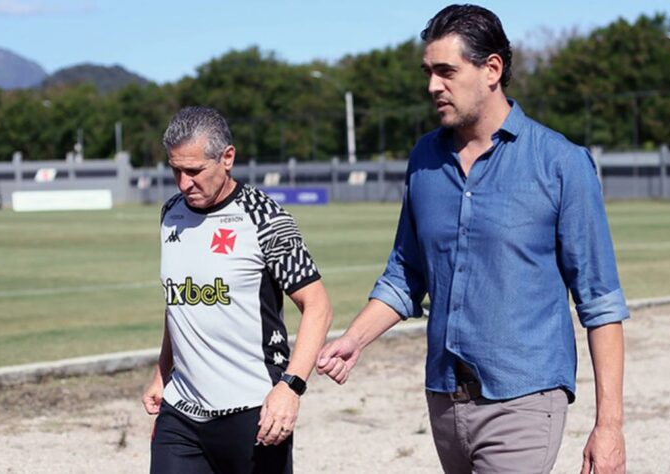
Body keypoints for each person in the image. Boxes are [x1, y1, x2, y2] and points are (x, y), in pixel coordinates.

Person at [317, 5, 628, 474]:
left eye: (446, 72)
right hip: (444, 398)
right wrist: (355, 340)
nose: (432, 86)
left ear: (492, 70)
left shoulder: (561, 163)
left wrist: (610, 426)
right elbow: (405, 274)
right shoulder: (424, 158)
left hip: (523, 398)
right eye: (428, 72)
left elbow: (599, 302)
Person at [142, 106, 333, 474]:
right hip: (181, 414)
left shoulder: (266, 219)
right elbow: (179, 305)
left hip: (254, 412)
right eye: (175, 170)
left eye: (195, 171)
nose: (183, 183)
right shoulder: (171, 213)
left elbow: (318, 306)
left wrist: (290, 388)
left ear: (227, 157)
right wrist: (162, 372)